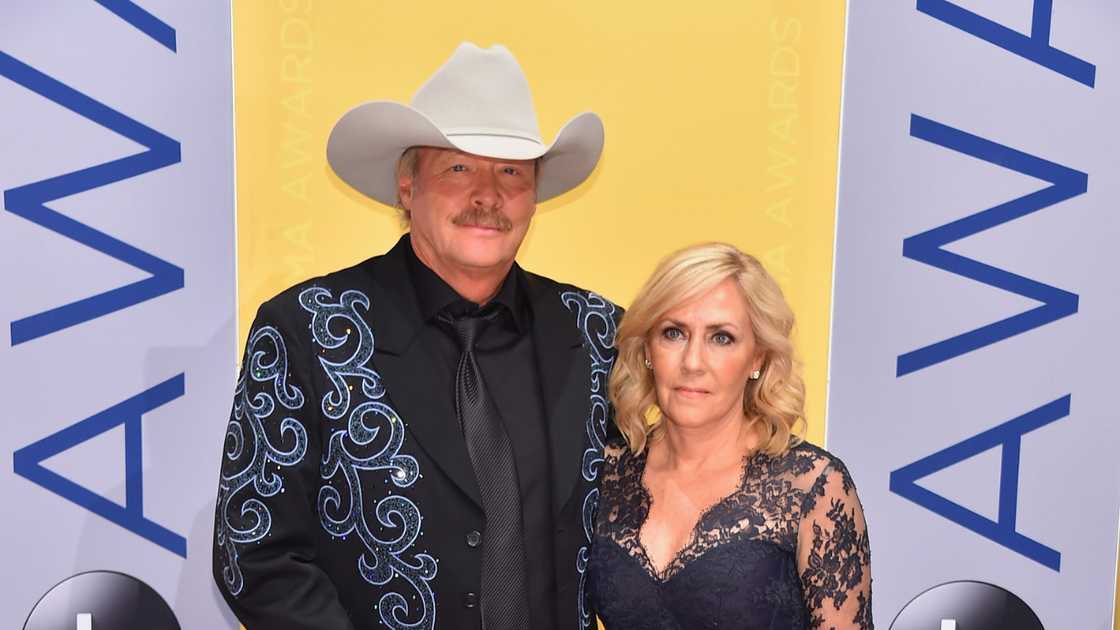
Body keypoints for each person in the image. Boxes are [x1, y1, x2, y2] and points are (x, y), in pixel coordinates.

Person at [212, 43, 621, 630]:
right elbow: (254, 553)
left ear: (534, 196)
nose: (487, 195)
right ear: (407, 187)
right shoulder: (308, 329)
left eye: (511, 171)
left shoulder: (599, 331)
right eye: (459, 168)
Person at [587, 243, 873, 629]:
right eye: (673, 333)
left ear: (757, 358)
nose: (692, 362)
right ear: (648, 349)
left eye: (721, 337)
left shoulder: (812, 486)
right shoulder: (605, 471)